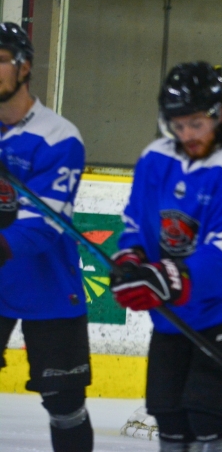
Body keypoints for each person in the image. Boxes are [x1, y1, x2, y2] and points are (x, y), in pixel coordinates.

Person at [110, 62, 222, 452]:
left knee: (210, 423)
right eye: (177, 123)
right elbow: (136, 221)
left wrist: (164, 278)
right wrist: (131, 260)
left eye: (196, 123)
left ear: (218, 115)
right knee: (170, 418)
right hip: (180, 306)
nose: (186, 134)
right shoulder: (156, 157)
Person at [0, 23, 93, 452]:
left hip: (47, 287)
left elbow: (44, 222)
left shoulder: (59, 136)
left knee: (65, 404)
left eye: (0, 59)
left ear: (25, 68)